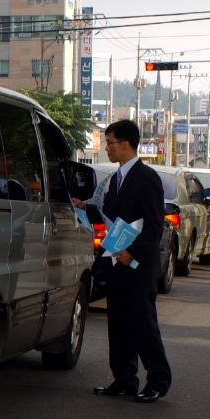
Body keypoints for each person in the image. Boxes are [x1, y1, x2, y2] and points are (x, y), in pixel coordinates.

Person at [73, 120, 171, 403]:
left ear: (126, 143)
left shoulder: (147, 177)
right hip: (116, 261)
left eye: (111, 142)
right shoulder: (116, 179)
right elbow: (113, 215)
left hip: (138, 265)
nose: (107, 148)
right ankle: (125, 379)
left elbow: (154, 225)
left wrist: (134, 253)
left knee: (143, 323)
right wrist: (86, 207)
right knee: (118, 324)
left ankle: (158, 380)